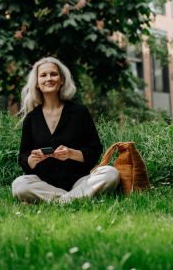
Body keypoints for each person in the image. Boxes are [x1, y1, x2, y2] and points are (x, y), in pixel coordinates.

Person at [12, 57, 120, 203]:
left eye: (53, 74)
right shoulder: (31, 118)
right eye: (43, 75)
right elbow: (24, 159)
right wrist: (33, 159)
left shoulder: (79, 112)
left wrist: (71, 153)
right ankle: (75, 199)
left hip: (80, 181)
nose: (49, 78)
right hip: (46, 184)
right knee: (19, 185)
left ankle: (58, 202)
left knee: (110, 173)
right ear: (37, 83)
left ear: (62, 80)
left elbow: (94, 151)